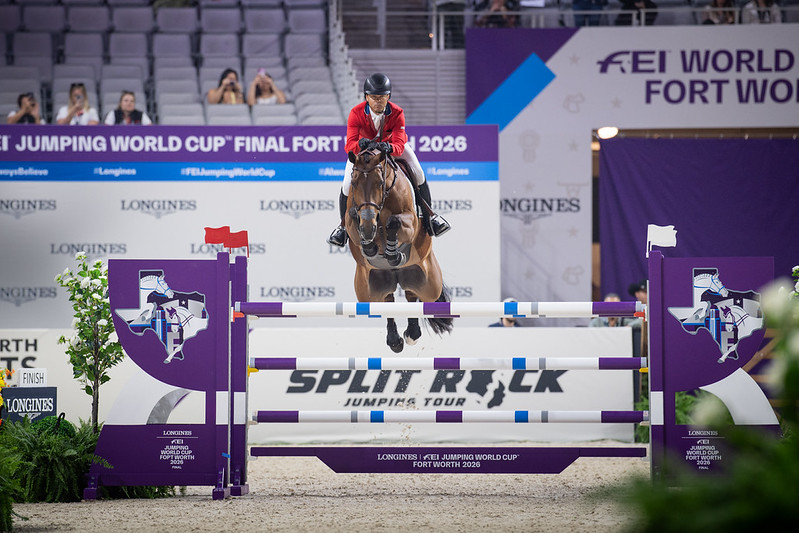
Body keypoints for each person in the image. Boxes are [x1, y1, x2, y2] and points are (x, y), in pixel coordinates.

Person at [326, 72, 451, 247]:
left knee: (418, 172)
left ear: (388, 97)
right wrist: (359, 144)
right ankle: (342, 227)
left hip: (390, 148)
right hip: (365, 153)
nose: (378, 101)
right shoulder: (356, 113)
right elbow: (349, 144)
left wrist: (390, 147)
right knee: (347, 182)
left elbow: (400, 142)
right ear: (367, 97)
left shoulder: (398, 112)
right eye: (374, 97)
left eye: (382, 97)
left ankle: (430, 216)